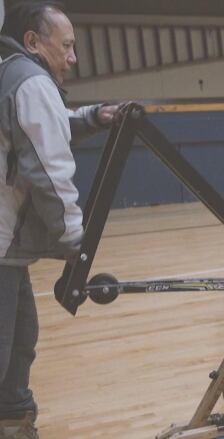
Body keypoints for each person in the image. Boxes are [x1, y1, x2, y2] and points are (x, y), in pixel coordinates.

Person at [0, 2, 124, 437]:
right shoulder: (32, 83)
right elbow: (49, 169)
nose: (73, 57)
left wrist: (94, 117)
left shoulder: (12, 72)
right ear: (34, 41)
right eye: (67, 45)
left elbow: (44, 127)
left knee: (20, 339)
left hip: (6, 251)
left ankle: (14, 420)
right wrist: (76, 240)